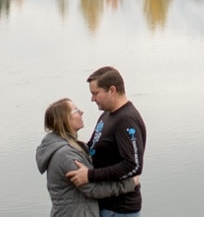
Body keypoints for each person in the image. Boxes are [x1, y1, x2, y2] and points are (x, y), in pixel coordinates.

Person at [36, 98, 139, 216]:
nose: (82, 112)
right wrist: (129, 184)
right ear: (64, 120)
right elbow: (92, 189)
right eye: (76, 110)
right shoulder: (65, 155)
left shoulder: (71, 145)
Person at [65, 66, 146, 216]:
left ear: (112, 90)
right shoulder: (107, 115)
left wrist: (90, 176)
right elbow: (92, 146)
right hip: (105, 205)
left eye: (96, 93)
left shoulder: (127, 120)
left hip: (120, 210)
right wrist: (64, 143)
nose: (92, 99)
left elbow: (133, 166)